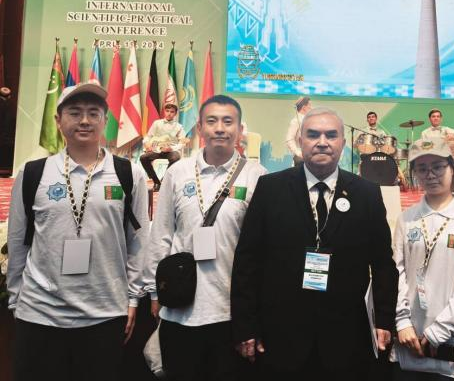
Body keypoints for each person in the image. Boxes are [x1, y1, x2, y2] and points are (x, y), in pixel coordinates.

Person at [231, 107, 398, 381]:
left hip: (346, 339)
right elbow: (247, 260)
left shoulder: (366, 193)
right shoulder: (271, 188)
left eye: (331, 135)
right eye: (313, 135)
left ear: (343, 142)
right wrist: (245, 326)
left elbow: (382, 264)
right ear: (300, 140)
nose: (322, 142)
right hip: (281, 338)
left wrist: (384, 319)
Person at [7, 82, 149, 381]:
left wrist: (132, 297)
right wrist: (16, 298)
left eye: (93, 113)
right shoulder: (33, 173)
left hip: (104, 314)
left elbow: (137, 242)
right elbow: (18, 240)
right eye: (74, 112)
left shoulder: (128, 173)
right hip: (40, 314)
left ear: (105, 120)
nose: (84, 120)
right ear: (58, 120)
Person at [144, 94, 267, 381]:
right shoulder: (178, 172)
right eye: (212, 121)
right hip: (179, 310)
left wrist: (253, 314)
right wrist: (154, 291)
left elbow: (262, 250)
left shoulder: (257, 176)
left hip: (230, 314)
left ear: (240, 129)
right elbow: (161, 234)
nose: (220, 128)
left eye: (228, 121)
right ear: (200, 128)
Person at [391, 139, 454, 380]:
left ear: (452, 168)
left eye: (437, 167)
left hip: (453, 347)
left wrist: (439, 331)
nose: (430, 175)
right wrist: (402, 322)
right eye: (422, 169)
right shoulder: (406, 219)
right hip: (409, 340)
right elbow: (396, 273)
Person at [140, 102, 187, 191]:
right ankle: (156, 182)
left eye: (172, 112)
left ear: (175, 114)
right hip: (157, 150)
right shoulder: (156, 123)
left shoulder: (179, 126)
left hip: (170, 151)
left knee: (176, 157)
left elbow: (182, 142)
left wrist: (171, 148)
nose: (169, 113)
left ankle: (164, 180)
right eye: (167, 111)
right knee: (143, 158)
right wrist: (146, 143)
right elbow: (148, 136)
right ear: (164, 112)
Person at [286, 96, 312, 166]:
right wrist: (298, 153)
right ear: (304, 107)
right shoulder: (295, 121)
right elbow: (289, 139)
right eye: (309, 105)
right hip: (300, 160)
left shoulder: (310, 120)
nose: (311, 108)